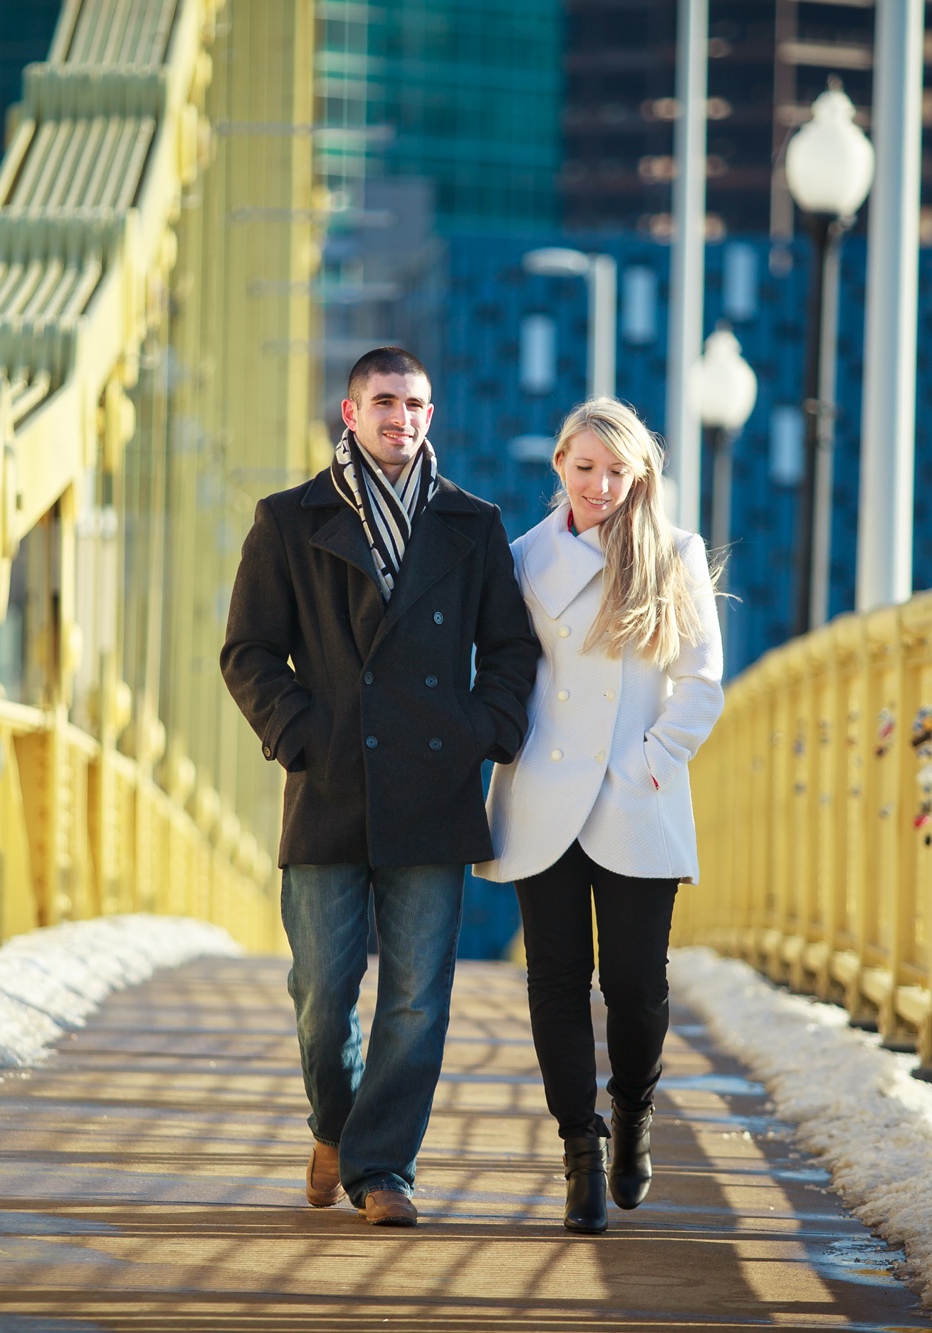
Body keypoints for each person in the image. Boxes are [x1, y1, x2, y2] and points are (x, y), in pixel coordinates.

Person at [222, 347, 541, 1227]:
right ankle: (336, 1122)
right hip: (329, 784)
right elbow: (248, 651)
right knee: (323, 994)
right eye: (387, 402)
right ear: (350, 412)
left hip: (433, 789)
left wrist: (482, 731)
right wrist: (303, 734)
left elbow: (511, 650)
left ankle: (382, 1167)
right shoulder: (289, 520)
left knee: (415, 997)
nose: (404, 418)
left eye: (418, 404)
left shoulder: (470, 524)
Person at [474, 397, 724, 1235]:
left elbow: (700, 684)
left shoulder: (676, 554)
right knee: (553, 981)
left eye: (617, 470)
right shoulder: (520, 557)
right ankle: (580, 1146)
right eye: (585, 467)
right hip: (544, 788)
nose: (600, 485)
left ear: (640, 474)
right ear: (560, 468)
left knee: (635, 983)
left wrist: (652, 762)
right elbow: (504, 665)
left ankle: (634, 1110)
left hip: (632, 792)